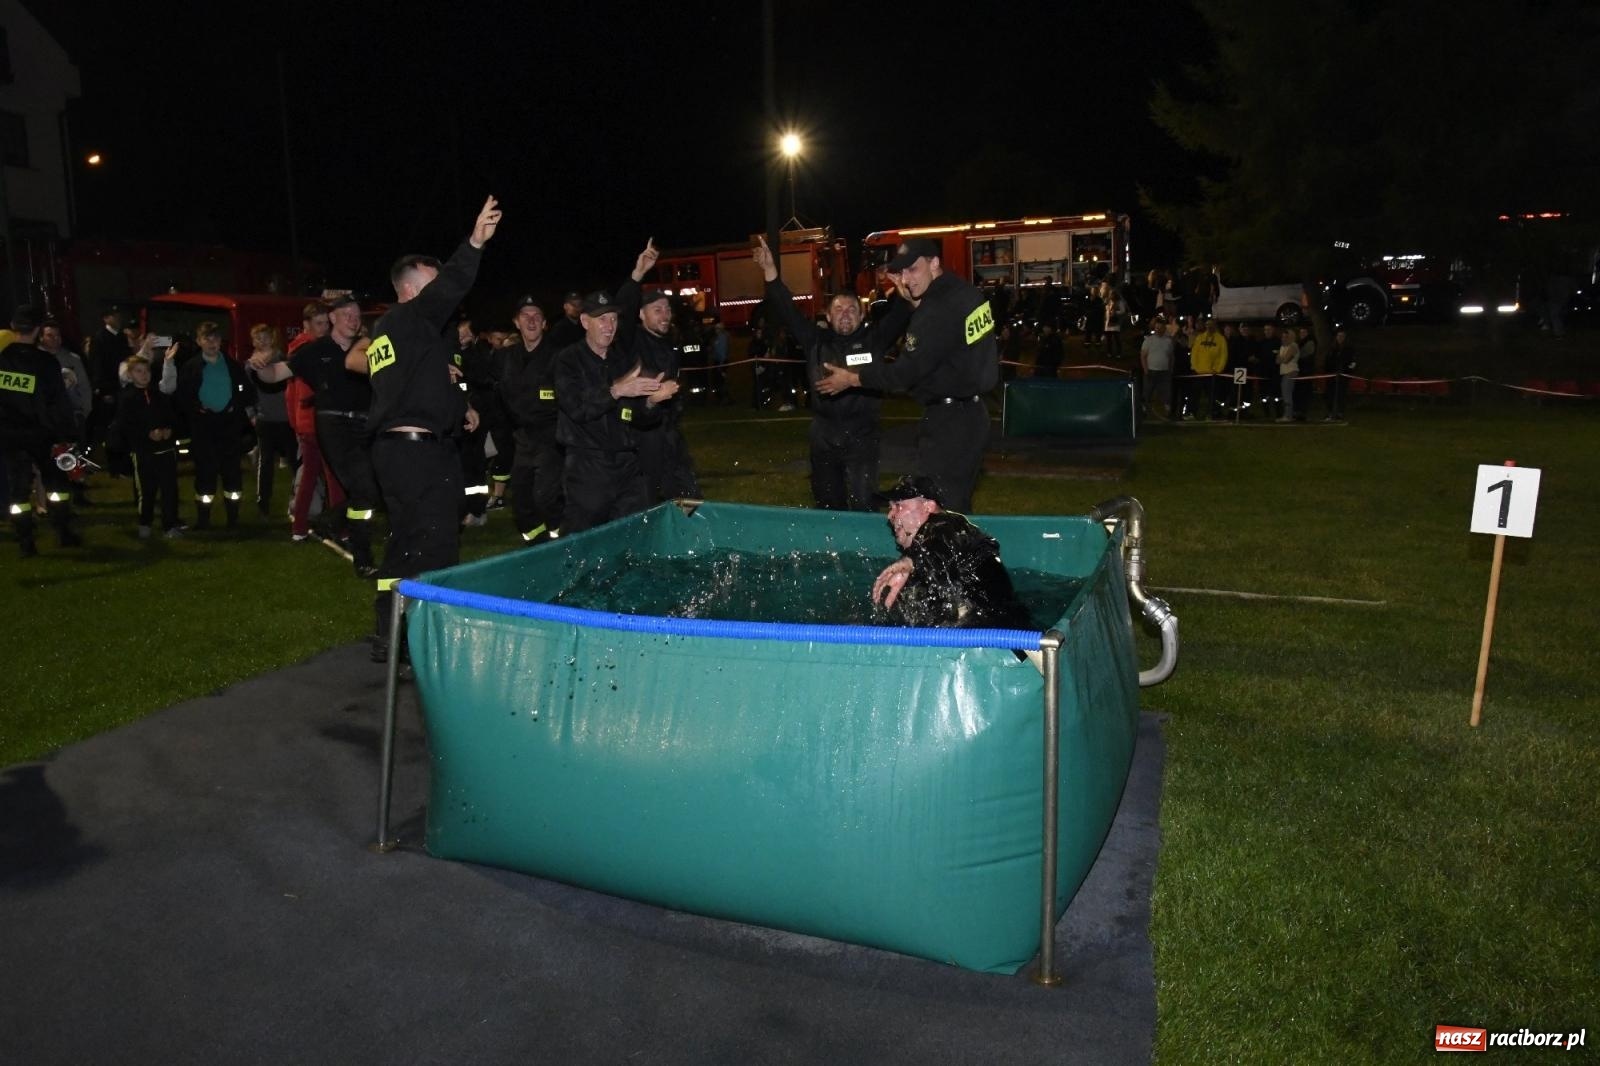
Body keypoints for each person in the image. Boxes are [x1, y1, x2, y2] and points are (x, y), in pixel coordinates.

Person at [365, 195, 500, 662]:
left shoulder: (391, 330)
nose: (441, 290)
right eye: (432, 283)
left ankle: (391, 633)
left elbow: (412, 385)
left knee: (404, 544)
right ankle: (433, 644)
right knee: (437, 545)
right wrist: (475, 243)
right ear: (410, 290)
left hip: (397, 451)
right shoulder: (412, 316)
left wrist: (453, 402)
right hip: (420, 455)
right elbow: (453, 289)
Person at [815, 236, 997, 515]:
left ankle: (956, 558)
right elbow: (947, 343)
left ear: (934, 263)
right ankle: (959, 555)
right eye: (901, 272)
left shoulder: (935, 311)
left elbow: (903, 373)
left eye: (913, 269)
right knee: (955, 507)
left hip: (950, 424)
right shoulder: (965, 293)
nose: (906, 278)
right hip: (972, 415)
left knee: (940, 511)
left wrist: (851, 379)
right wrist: (915, 305)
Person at [754, 233, 910, 511]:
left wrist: (901, 289)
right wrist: (770, 271)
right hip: (823, 437)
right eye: (839, 309)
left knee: (864, 503)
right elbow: (786, 309)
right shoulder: (815, 340)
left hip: (863, 436)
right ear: (828, 316)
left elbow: (900, 314)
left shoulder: (874, 339)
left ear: (862, 316)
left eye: (852, 309)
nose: (846, 313)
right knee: (828, 506)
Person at [251, 296, 376, 568]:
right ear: (333, 318)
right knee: (361, 486)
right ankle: (362, 556)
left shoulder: (367, 348)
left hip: (367, 423)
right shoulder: (315, 350)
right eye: (347, 315)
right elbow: (275, 375)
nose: (354, 320)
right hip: (334, 424)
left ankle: (332, 521)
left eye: (357, 315)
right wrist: (260, 366)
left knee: (371, 487)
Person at [552, 289, 670, 534]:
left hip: (626, 464)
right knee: (585, 540)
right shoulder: (568, 360)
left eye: (613, 319)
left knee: (635, 534)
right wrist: (616, 390)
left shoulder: (623, 360)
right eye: (602, 319)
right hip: (587, 466)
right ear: (585, 322)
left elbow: (636, 416)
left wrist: (652, 402)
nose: (609, 326)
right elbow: (577, 409)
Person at [869, 475, 1030, 630]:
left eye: (898, 506)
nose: (890, 515)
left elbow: (939, 544)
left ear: (928, 507)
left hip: (1003, 632)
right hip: (993, 627)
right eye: (890, 508)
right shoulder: (923, 555)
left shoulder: (950, 525)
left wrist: (910, 561)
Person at [618, 241, 701, 503]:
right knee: (651, 497)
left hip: (670, 433)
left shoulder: (668, 342)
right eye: (657, 310)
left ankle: (690, 537)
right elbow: (622, 309)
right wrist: (637, 275)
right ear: (641, 315)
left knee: (687, 494)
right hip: (643, 435)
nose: (665, 315)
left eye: (667, 309)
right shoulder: (631, 340)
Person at [1, 306, 83, 556]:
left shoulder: (2, 360)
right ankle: (63, 531)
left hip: (10, 434)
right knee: (57, 487)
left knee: (18, 491)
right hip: (43, 434)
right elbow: (57, 401)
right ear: (37, 331)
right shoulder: (45, 362)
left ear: (14, 329)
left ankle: (26, 541)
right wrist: (67, 434)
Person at [176, 321, 256, 529]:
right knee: (205, 472)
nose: (212, 343)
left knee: (232, 473)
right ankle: (203, 520)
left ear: (221, 341)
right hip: (203, 427)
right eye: (207, 339)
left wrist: (235, 407)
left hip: (229, 426)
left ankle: (233, 519)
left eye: (216, 338)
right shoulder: (191, 367)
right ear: (199, 341)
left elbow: (245, 391)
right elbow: (183, 396)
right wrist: (197, 408)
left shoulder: (232, 365)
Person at [498, 296, 565, 541]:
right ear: (517, 322)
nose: (531, 320)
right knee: (521, 499)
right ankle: (537, 543)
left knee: (545, 496)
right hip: (522, 437)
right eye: (525, 316)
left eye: (537, 316)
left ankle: (561, 539)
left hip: (551, 435)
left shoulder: (558, 356)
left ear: (544, 323)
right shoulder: (506, 357)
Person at [114, 351, 183, 538]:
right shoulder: (127, 398)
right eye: (138, 371)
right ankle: (145, 522)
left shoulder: (158, 394)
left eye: (146, 371)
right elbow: (126, 425)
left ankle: (170, 525)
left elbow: (171, 416)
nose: (144, 375)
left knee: (170, 490)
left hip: (166, 450)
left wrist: (169, 429)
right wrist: (147, 435)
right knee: (147, 490)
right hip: (144, 452)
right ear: (130, 374)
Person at [284, 301, 337, 541]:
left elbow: (291, 394)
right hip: (316, 422)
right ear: (306, 325)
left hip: (309, 422)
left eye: (327, 323)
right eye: (319, 323)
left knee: (310, 476)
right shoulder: (308, 351)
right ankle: (340, 527)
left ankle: (300, 527)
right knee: (331, 476)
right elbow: (302, 393)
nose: (324, 328)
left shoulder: (300, 350)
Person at [246, 324, 297, 520]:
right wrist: (251, 414)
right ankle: (263, 505)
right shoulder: (249, 365)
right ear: (253, 341)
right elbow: (247, 393)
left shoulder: (283, 360)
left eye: (265, 337)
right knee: (265, 463)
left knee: (294, 462)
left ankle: (297, 503)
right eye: (258, 338)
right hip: (265, 420)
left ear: (272, 338)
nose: (262, 341)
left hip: (286, 420)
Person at [1189, 317, 1228, 420]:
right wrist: (1195, 367)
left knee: (1212, 396)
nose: (1209, 327)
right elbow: (1194, 353)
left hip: (1212, 373)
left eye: (1211, 325)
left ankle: (1211, 414)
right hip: (1199, 373)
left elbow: (1223, 356)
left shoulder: (1221, 339)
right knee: (1194, 395)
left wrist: (1218, 369)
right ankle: (1191, 413)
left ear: (1215, 326)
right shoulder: (1200, 338)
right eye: (1207, 325)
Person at [1139, 317, 1175, 420]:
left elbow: (1171, 357)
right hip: (1151, 371)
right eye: (1157, 328)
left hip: (1164, 372)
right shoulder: (1148, 340)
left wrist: (1170, 369)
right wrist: (1146, 370)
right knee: (1147, 393)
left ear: (1164, 328)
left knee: (1166, 393)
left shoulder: (1168, 341)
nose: (1158, 329)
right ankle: (1143, 412)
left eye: (1161, 328)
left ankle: (1167, 412)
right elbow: (1143, 356)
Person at [1324, 327, 1354, 422]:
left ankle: (1340, 413)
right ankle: (1330, 413)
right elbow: (1327, 361)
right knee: (1330, 395)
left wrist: (1347, 370)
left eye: (1342, 336)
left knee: (1341, 395)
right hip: (1331, 376)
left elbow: (1352, 362)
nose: (1340, 338)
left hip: (1343, 376)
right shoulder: (1332, 348)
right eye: (1339, 336)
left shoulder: (1349, 349)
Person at [1274, 327, 1300, 423]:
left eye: (1286, 337)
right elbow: (1277, 361)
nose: (1284, 339)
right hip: (1284, 372)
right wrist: (1282, 359)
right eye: (1283, 337)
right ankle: (1288, 414)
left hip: (1291, 372)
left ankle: (1288, 416)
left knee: (1287, 394)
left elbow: (1286, 360)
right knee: (1285, 394)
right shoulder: (1282, 347)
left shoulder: (1294, 346)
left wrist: (1282, 358)